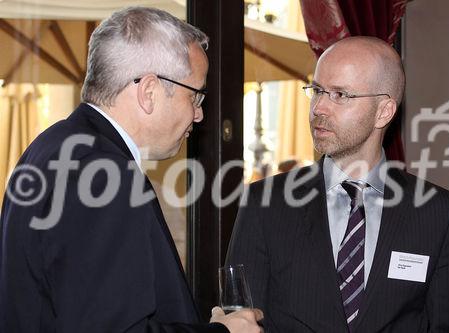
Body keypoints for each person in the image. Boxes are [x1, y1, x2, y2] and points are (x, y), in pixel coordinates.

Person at [0, 7, 262, 333]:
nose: (198, 115)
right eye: (195, 96)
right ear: (149, 91)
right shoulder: (100, 172)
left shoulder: (52, 146)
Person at [226, 36, 449, 332]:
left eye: (340, 95)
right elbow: (241, 324)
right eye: (317, 90)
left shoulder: (437, 212)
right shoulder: (264, 203)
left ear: (384, 111)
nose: (319, 107)